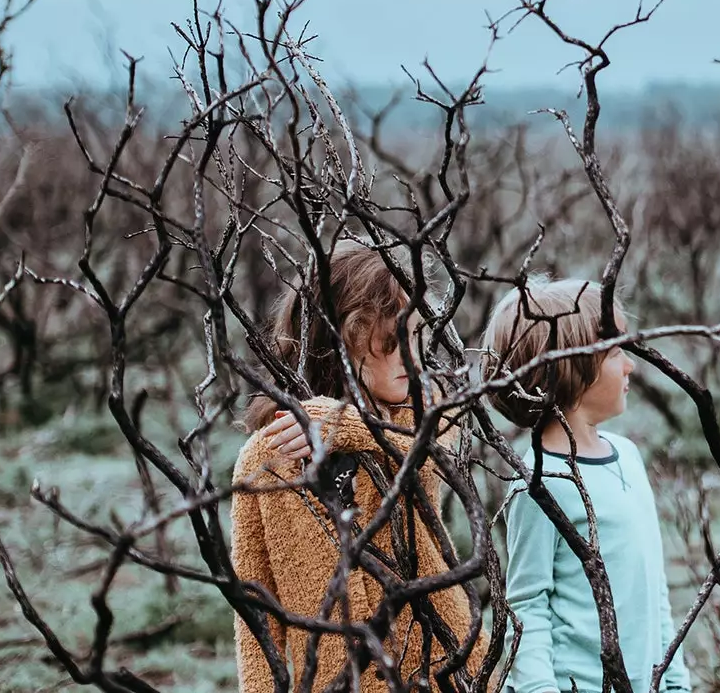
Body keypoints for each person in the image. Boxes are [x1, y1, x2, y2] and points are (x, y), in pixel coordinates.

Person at [230, 242, 480, 693]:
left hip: (443, 665)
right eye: (391, 340)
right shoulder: (266, 457)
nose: (412, 355)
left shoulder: (424, 410)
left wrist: (348, 425)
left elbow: (434, 439)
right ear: (344, 338)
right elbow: (254, 611)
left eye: (416, 336)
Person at [484, 279, 692, 693]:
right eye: (616, 353)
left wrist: (673, 679)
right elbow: (528, 605)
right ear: (572, 369)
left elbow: (653, 585)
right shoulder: (538, 484)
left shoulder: (628, 455)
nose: (631, 364)